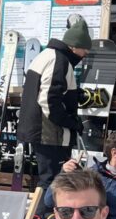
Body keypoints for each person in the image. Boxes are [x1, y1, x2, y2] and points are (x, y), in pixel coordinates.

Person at [17, 20, 91, 199]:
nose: (85, 54)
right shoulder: (59, 60)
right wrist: (70, 122)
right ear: (74, 47)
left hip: (41, 130)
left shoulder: (47, 55)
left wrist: (76, 94)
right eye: (85, 50)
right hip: (49, 133)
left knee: (52, 179)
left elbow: (49, 91)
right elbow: (49, 100)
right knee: (53, 180)